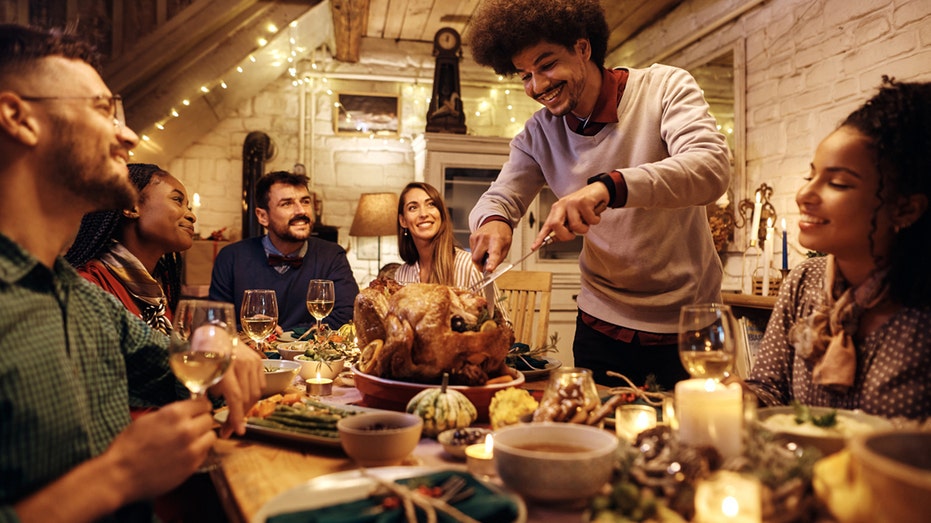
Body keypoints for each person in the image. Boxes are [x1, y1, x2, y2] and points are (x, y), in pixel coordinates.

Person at [0, 24, 263, 522]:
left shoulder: (82, 298)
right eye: (102, 110)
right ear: (18, 118)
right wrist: (117, 474)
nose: (128, 135)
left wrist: (221, 348)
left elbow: (179, 362)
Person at [466, 0, 731, 389]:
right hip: (600, 326)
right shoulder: (538, 135)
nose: (537, 86)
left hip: (690, 324)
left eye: (546, 65)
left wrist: (609, 187)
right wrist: (494, 221)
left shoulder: (664, 88)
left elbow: (711, 168)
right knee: (594, 426)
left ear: (582, 48)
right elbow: (500, 196)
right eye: (524, 75)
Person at [745, 78, 931, 421]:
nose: (804, 195)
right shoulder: (804, 281)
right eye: (811, 176)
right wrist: (735, 397)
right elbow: (769, 390)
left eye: (838, 183)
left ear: (905, 209)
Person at [209, 170, 359, 332]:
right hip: (252, 348)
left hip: (308, 349)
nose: (301, 211)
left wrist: (288, 336)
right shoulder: (231, 258)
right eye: (287, 204)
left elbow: (347, 315)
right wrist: (252, 331)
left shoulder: (332, 256)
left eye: (305, 201)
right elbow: (217, 322)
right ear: (263, 216)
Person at [65, 163, 195, 336]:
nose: (191, 216)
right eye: (177, 200)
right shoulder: (89, 287)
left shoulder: (163, 288)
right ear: (131, 206)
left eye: (189, 207)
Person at [395, 182, 486, 288]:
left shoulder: (470, 266)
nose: (423, 214)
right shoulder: (401, 275)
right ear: (403, 221)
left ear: (441, 214)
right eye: (413, 208)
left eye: (431, 204)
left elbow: (493, 300)